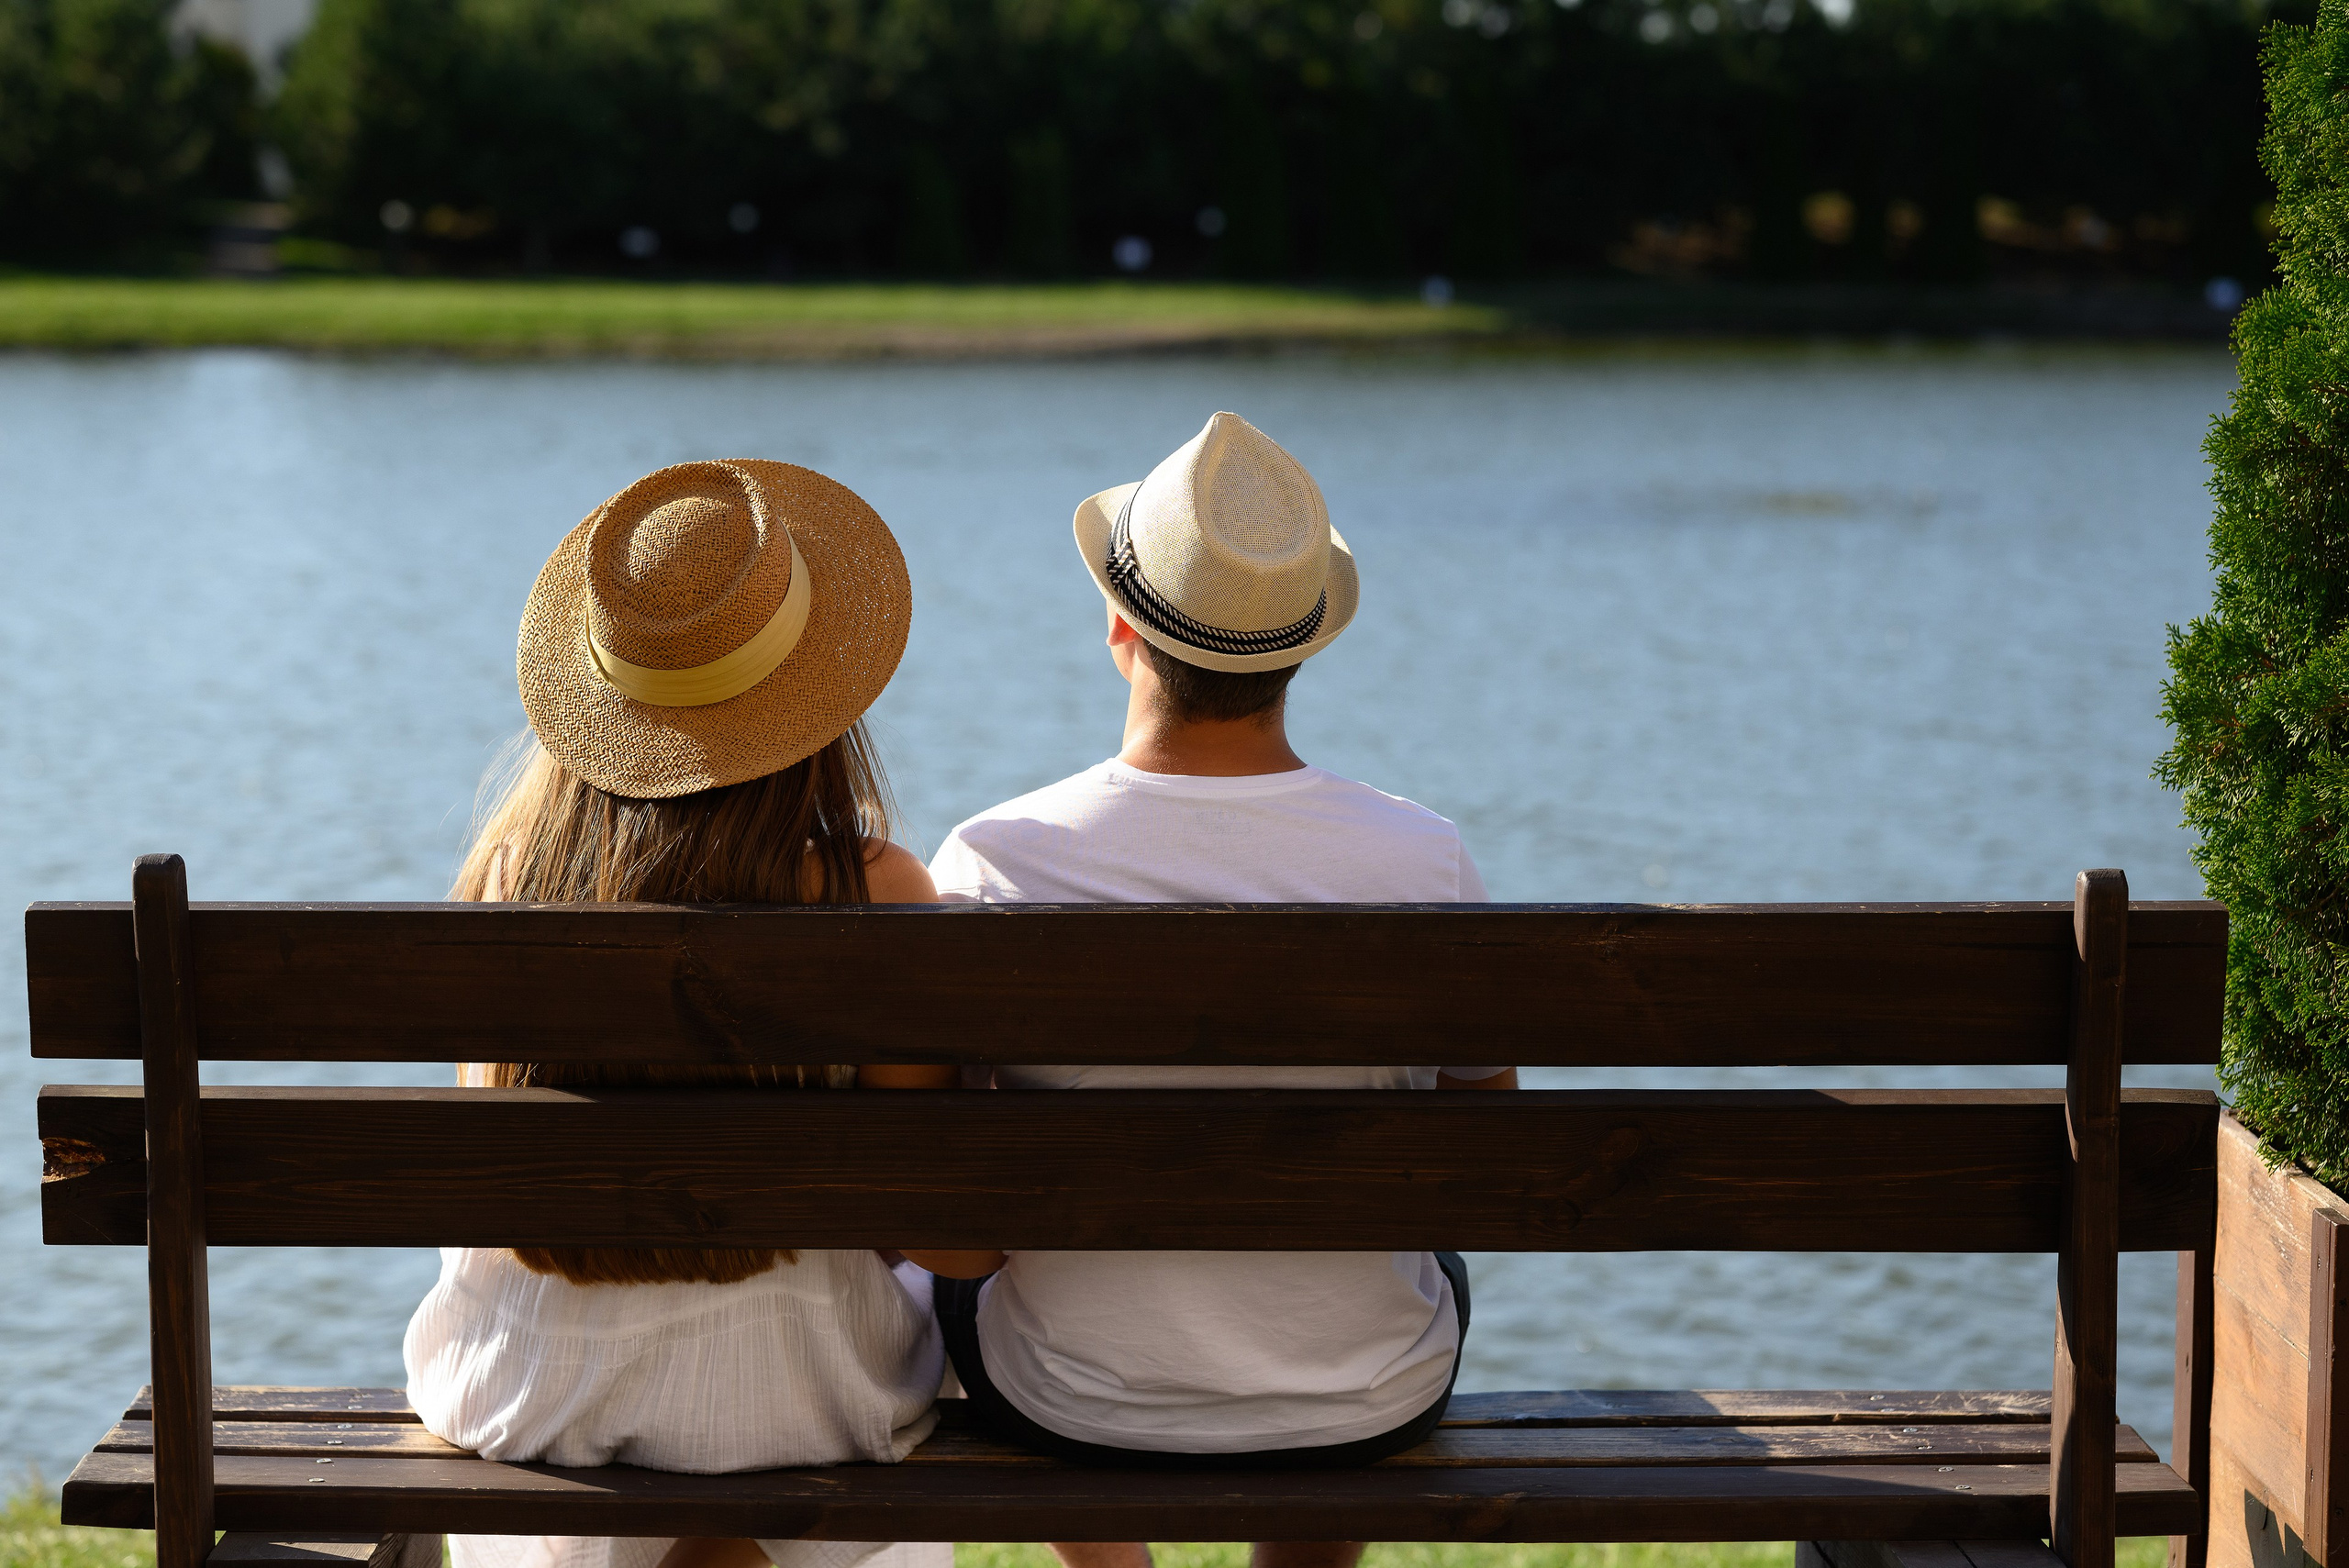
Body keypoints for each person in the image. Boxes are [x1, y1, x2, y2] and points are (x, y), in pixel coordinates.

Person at [924, 412, 1518, 1568]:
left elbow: (961, 1227)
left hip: (1073, 1399)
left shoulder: (999, 857)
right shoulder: (1420, 858)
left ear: (1119, 630)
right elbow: (1484, 1149)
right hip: (1365, 1396)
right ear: (1300, 652)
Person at [402, 459, 992, 1568]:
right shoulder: (879, 893)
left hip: (532, 1386)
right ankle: (728, 1540)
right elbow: (945, 1232)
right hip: (797, 1393)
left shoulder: (506, 878)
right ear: (820, 693)